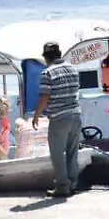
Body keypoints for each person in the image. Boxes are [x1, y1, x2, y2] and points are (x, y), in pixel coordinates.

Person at [31, 41, 82, 198]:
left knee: (57, 154)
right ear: (59, 54)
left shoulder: (48, 73)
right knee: (73, 152)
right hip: (75, 115)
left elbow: (45, 96)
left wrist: (36, 116)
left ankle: (61, 186)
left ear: (46, 57)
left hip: (59, 118)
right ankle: (72, 184)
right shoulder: (73, 69)